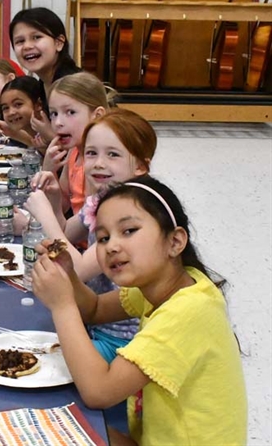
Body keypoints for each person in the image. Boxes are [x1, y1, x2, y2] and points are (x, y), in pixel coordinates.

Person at [31, 176, 247, 445]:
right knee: (47, 426)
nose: (112, 246)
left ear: (175, 242)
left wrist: (61, 306)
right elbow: (95, 309)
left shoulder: (189, 311)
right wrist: (69, 274)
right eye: (103, 237)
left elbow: (98, 391)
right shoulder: (169, 283)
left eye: (129, 230)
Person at [24, 109, 157, 361]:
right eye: (91, 153)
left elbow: (78, 268)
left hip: (122, 340)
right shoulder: (99, 200)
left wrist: (44, 217)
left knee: (40, 361)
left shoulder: (132, 215)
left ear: (140, 166)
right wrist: (54, 201)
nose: (98, 163)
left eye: (113, 155)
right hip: (92, 321)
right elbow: (65, 234)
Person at [43, 72, 114, 216]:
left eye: (70, 112)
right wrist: (49, 171)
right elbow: (62, 206)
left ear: (97, 115)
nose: (58, 123)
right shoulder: (74, 151)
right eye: (54, 114)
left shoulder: (99, 165)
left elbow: (87, 226)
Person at [10, 7, 80, 95]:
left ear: (59, 43)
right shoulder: (41, 87)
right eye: (20, 41)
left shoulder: (76, 87)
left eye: (36, 37)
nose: (27, 46)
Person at [0, 75, 48, 149]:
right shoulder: (36, 137)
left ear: (38, 104)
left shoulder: (50, 136)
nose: (11, 112)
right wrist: (12, 132)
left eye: (18, 104)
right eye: (5, 108)